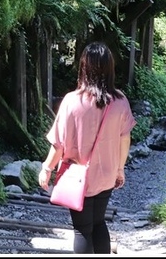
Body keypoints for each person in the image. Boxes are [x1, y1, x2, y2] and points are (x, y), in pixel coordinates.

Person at [38, 41, 136, 254]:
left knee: (82, 229)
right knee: (99, 222)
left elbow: (59, 145)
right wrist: (120, 169)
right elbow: (124, 138)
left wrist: (47, 168)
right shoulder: (120, 101)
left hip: (78, 176)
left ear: (84, 67)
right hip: (107, 175)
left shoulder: (72, 101)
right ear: (110, 68)